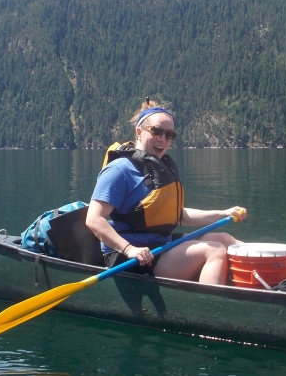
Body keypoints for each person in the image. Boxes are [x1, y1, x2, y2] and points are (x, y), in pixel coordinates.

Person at [85, 99, 247, 285]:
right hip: (129, 256)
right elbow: (94, 219)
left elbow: (178, 214)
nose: (163, 139)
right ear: (139, 132)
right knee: (214, 250)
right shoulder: (119, 170)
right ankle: (210, 308)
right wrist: (129, 249)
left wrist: (224, 213)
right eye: (157, 132)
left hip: (160, 245)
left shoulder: (157, 168)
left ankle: (273, 274)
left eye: (169, 135)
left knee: (224, 239)